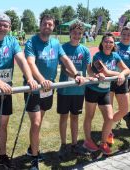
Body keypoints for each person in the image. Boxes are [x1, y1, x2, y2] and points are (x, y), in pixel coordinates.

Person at [0, 13, 38, 169]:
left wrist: (29, 77)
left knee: (2, 125)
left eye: (6, 25)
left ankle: (2, 155)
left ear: (10, 28)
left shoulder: (12, 41)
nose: (2, 28)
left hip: (6, 91)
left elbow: (22, 60)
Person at [24, 14, 85, 169]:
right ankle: (34, 158)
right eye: (45, 23)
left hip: (48, 90)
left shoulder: (56, 43)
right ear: (40, 24)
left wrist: (76, 73)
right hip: (35, 89)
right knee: (36, 123)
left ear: (53, 27)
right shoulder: (32, 42)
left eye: (50, 24)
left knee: (39, 121)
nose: (47, 26)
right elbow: (30, 63)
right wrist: (41, 80)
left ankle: (32, 148)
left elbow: (66, 60)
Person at [83, 33, 129, 155]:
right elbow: (106, 72)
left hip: (104, 92)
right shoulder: (97, 56)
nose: (108, 44)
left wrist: (122, 74)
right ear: (102, 43)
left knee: (109, 118)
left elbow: (127, 69)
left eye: (111, 42)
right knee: (89, 116)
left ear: (114, 44)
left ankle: (103, 143)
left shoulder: (115, 56)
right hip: (92, 90)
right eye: (106, 42)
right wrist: (118, 73)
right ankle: (87, 140)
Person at [56, 21, 91, 159]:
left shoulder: (85, 50)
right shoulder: (62, 48)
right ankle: (64, 145)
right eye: (74, 33)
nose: (76, 35)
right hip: (65, 89)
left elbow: (88, 68)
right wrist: (74, 76)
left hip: (78, 90)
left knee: (75, 117)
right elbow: (64, 67)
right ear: (70, 33)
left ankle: (75, 145)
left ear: (82, 35)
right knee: (64, 117)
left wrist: (97, 74)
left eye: (79, 33)